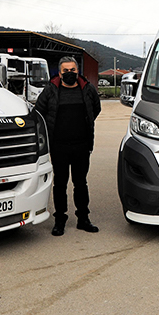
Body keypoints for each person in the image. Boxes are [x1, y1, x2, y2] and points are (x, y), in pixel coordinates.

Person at [35, 56, 101, 236]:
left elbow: (95, 109)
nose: (70, 73)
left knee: (81, 183)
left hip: (82, 145)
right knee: (60, 184)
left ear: (78, 71)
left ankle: (83, 219)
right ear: (60, 72)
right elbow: (39, 113)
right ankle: (59, 220)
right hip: (59, 147)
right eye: (66, 71)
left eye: (73, 70)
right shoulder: (50, 90)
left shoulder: (88, 89)